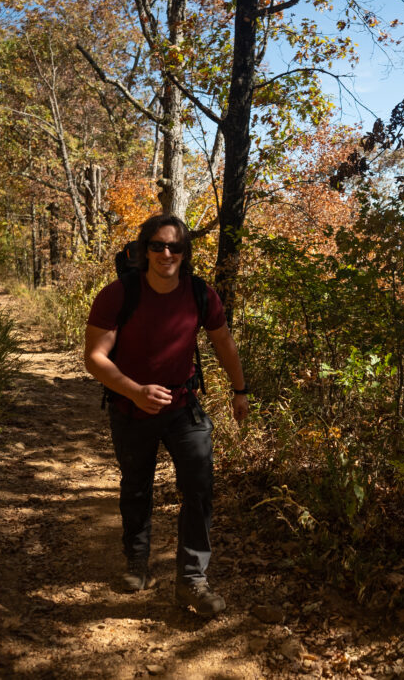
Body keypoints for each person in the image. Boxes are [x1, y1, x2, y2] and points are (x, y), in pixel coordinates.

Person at [84, 213, 248, 618]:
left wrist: (240, 390)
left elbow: (223, 342)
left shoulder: (200, 294)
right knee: (136, 486)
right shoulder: (118, 295)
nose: (166, 253)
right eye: (157, 245)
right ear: (145, 251)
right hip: (130, 407)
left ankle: (191, 579)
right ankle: (137, 562)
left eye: (174, 246)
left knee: (199, 485)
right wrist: (134, 391)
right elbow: (94, 358)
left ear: (185, 252)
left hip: (183, 407)